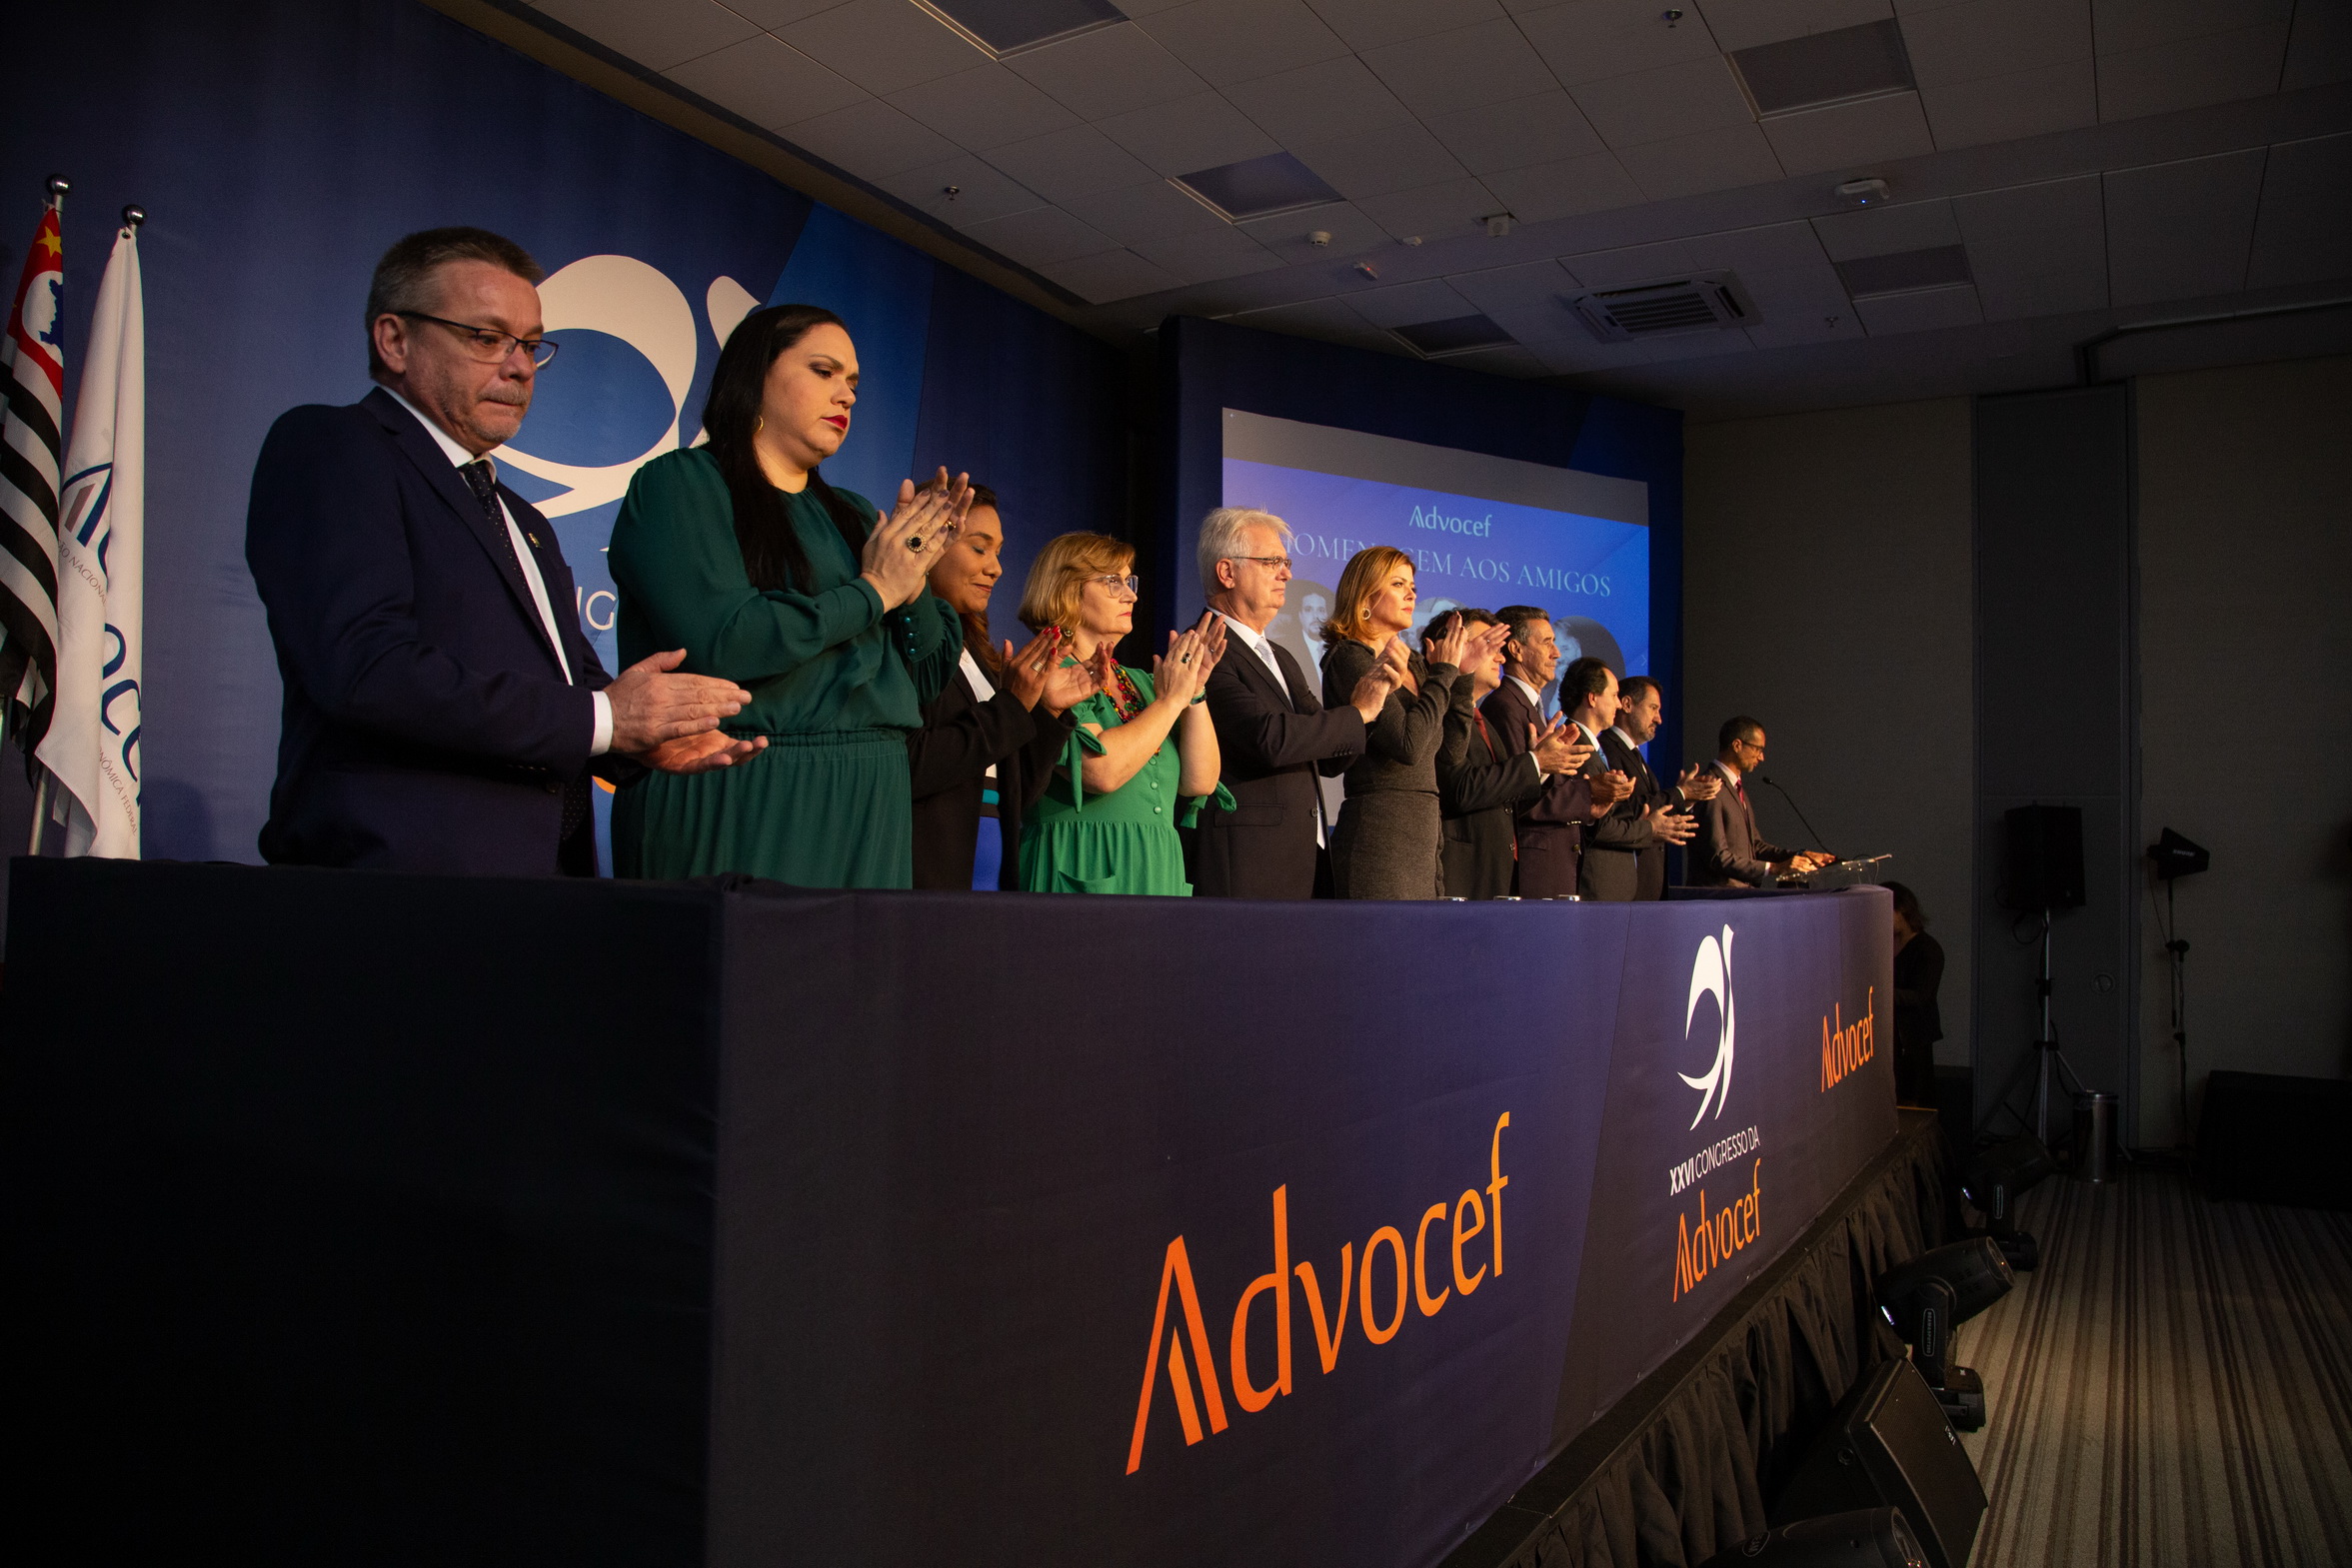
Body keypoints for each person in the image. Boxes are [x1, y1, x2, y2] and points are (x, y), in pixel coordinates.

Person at [246, 226, 759, 876]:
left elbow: (570, 689)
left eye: (531, 345)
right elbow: (367, 667)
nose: (518, 367)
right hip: (397, 886)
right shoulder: (334, 445)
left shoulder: (523, 519)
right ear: (395, 340)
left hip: (537, 888)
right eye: (486, 338)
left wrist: (638, 737)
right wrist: (604, 718)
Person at [607, 304, 973, 887]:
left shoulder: (855, 514)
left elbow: (925, 680)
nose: (846, 395)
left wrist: (914, 574)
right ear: (756, 375)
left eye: (853, 383)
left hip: (872, 794)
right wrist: (874, 590)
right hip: (743, 782)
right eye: (824, 372)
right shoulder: (682, 483)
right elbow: (726, 641)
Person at [1189, 508, 1394, 898]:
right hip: (1249, 862)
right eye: (1272, 562)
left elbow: (1329, 758)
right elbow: (1268, 738)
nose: (1285, 574)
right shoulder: (1202, 648)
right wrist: (1358, 713)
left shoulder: (1279, 655)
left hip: (1303, 857)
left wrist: (1369, 705)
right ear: (1227, 573)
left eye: (1286, 563)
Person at [1017, 534, 1231, 895]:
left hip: (1155, 868)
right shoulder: (1044, 674)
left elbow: (1200, 781)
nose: (1131, 596)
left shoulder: (1144, 683)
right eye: (1112, 581)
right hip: (1082, 863)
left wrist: (1193, 691)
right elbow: (1100, 771)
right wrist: (1170, 701)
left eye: (1129, 582)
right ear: (1067, 590)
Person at [906, 482, 1093, 889]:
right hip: (927, 880)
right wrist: (1009, 707)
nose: (996, 568)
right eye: (979, 548)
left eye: (998, 552)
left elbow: (1016, 791)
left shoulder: (977, 653)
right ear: (927, 542)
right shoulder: (902, 640)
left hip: (988, 878)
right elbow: (907, 764)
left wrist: (1045, 713)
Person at [1318, 547, 1509, 899]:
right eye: (1398, 584)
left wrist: (1462, 676)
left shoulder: (1417, 664)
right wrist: (1445, 672)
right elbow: (1408, 745)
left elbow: (1450, 753)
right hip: (1381, 834)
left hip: (1424, 834)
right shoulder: (1351, 658)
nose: (1411, 594)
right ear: (1365, 595)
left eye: (1413, 586)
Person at [1432, 609, 1591, 899]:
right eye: (1489, 645)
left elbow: (1505, 796)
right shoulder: (1441, 712)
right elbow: (1461, 788)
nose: (1500, 657)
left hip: (1496, 875)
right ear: (1452, 648)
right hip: (1463, 878)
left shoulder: (1483, 720)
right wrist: (1536, 762)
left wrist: (1541, 766)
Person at [1479, 607, 1627, 896]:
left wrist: (1590, 807)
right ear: (1516, 649)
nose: (1557, 653)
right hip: (1533, 871)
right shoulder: (1505, 706)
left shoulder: (1536, 710)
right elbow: (1515, 794)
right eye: (1547, 642)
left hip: (1554, 868)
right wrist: (1587, 793)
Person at [1597, 675, 1718, 899]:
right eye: (1653, 708)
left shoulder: (1634, 754)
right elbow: (1622, 808)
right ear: (1627, 705)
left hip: (1647, 886)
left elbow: (1652, 810)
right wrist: (1680, 793)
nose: (1659, 719)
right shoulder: (1607, 749)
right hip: (1625, 887)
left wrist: (1686, 799)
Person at [1691, 717, 1833, 886]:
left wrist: (1801, 856)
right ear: (1737, 745)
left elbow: (1755, 847)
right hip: (1719, 898)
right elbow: (1717, 856)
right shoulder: (1709, 787)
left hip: (1741, 896)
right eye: (1758, 749)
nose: (1761, 757)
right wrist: (1774, 868)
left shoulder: (1735, 788)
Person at [1888, 880, 1944, 1105]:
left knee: (1913, 1101)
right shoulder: (1883, 946)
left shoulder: (1928, 949)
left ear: (1903, 910)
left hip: (1913, 1041)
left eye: (1887, 913)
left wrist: (1879, 993)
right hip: (1889, 1038)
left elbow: (1922, 996)